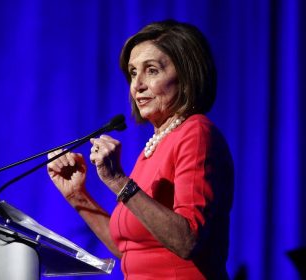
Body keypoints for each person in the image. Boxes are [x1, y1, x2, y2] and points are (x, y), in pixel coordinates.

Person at [47, 19, 234, 279]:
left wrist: (118, 181)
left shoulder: (196, 133)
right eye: (133, 73)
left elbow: (187, 240)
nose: (137, 85)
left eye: (152, 70)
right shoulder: (154, 146)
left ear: (187, 76)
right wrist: (78, 196)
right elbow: (129, 250)